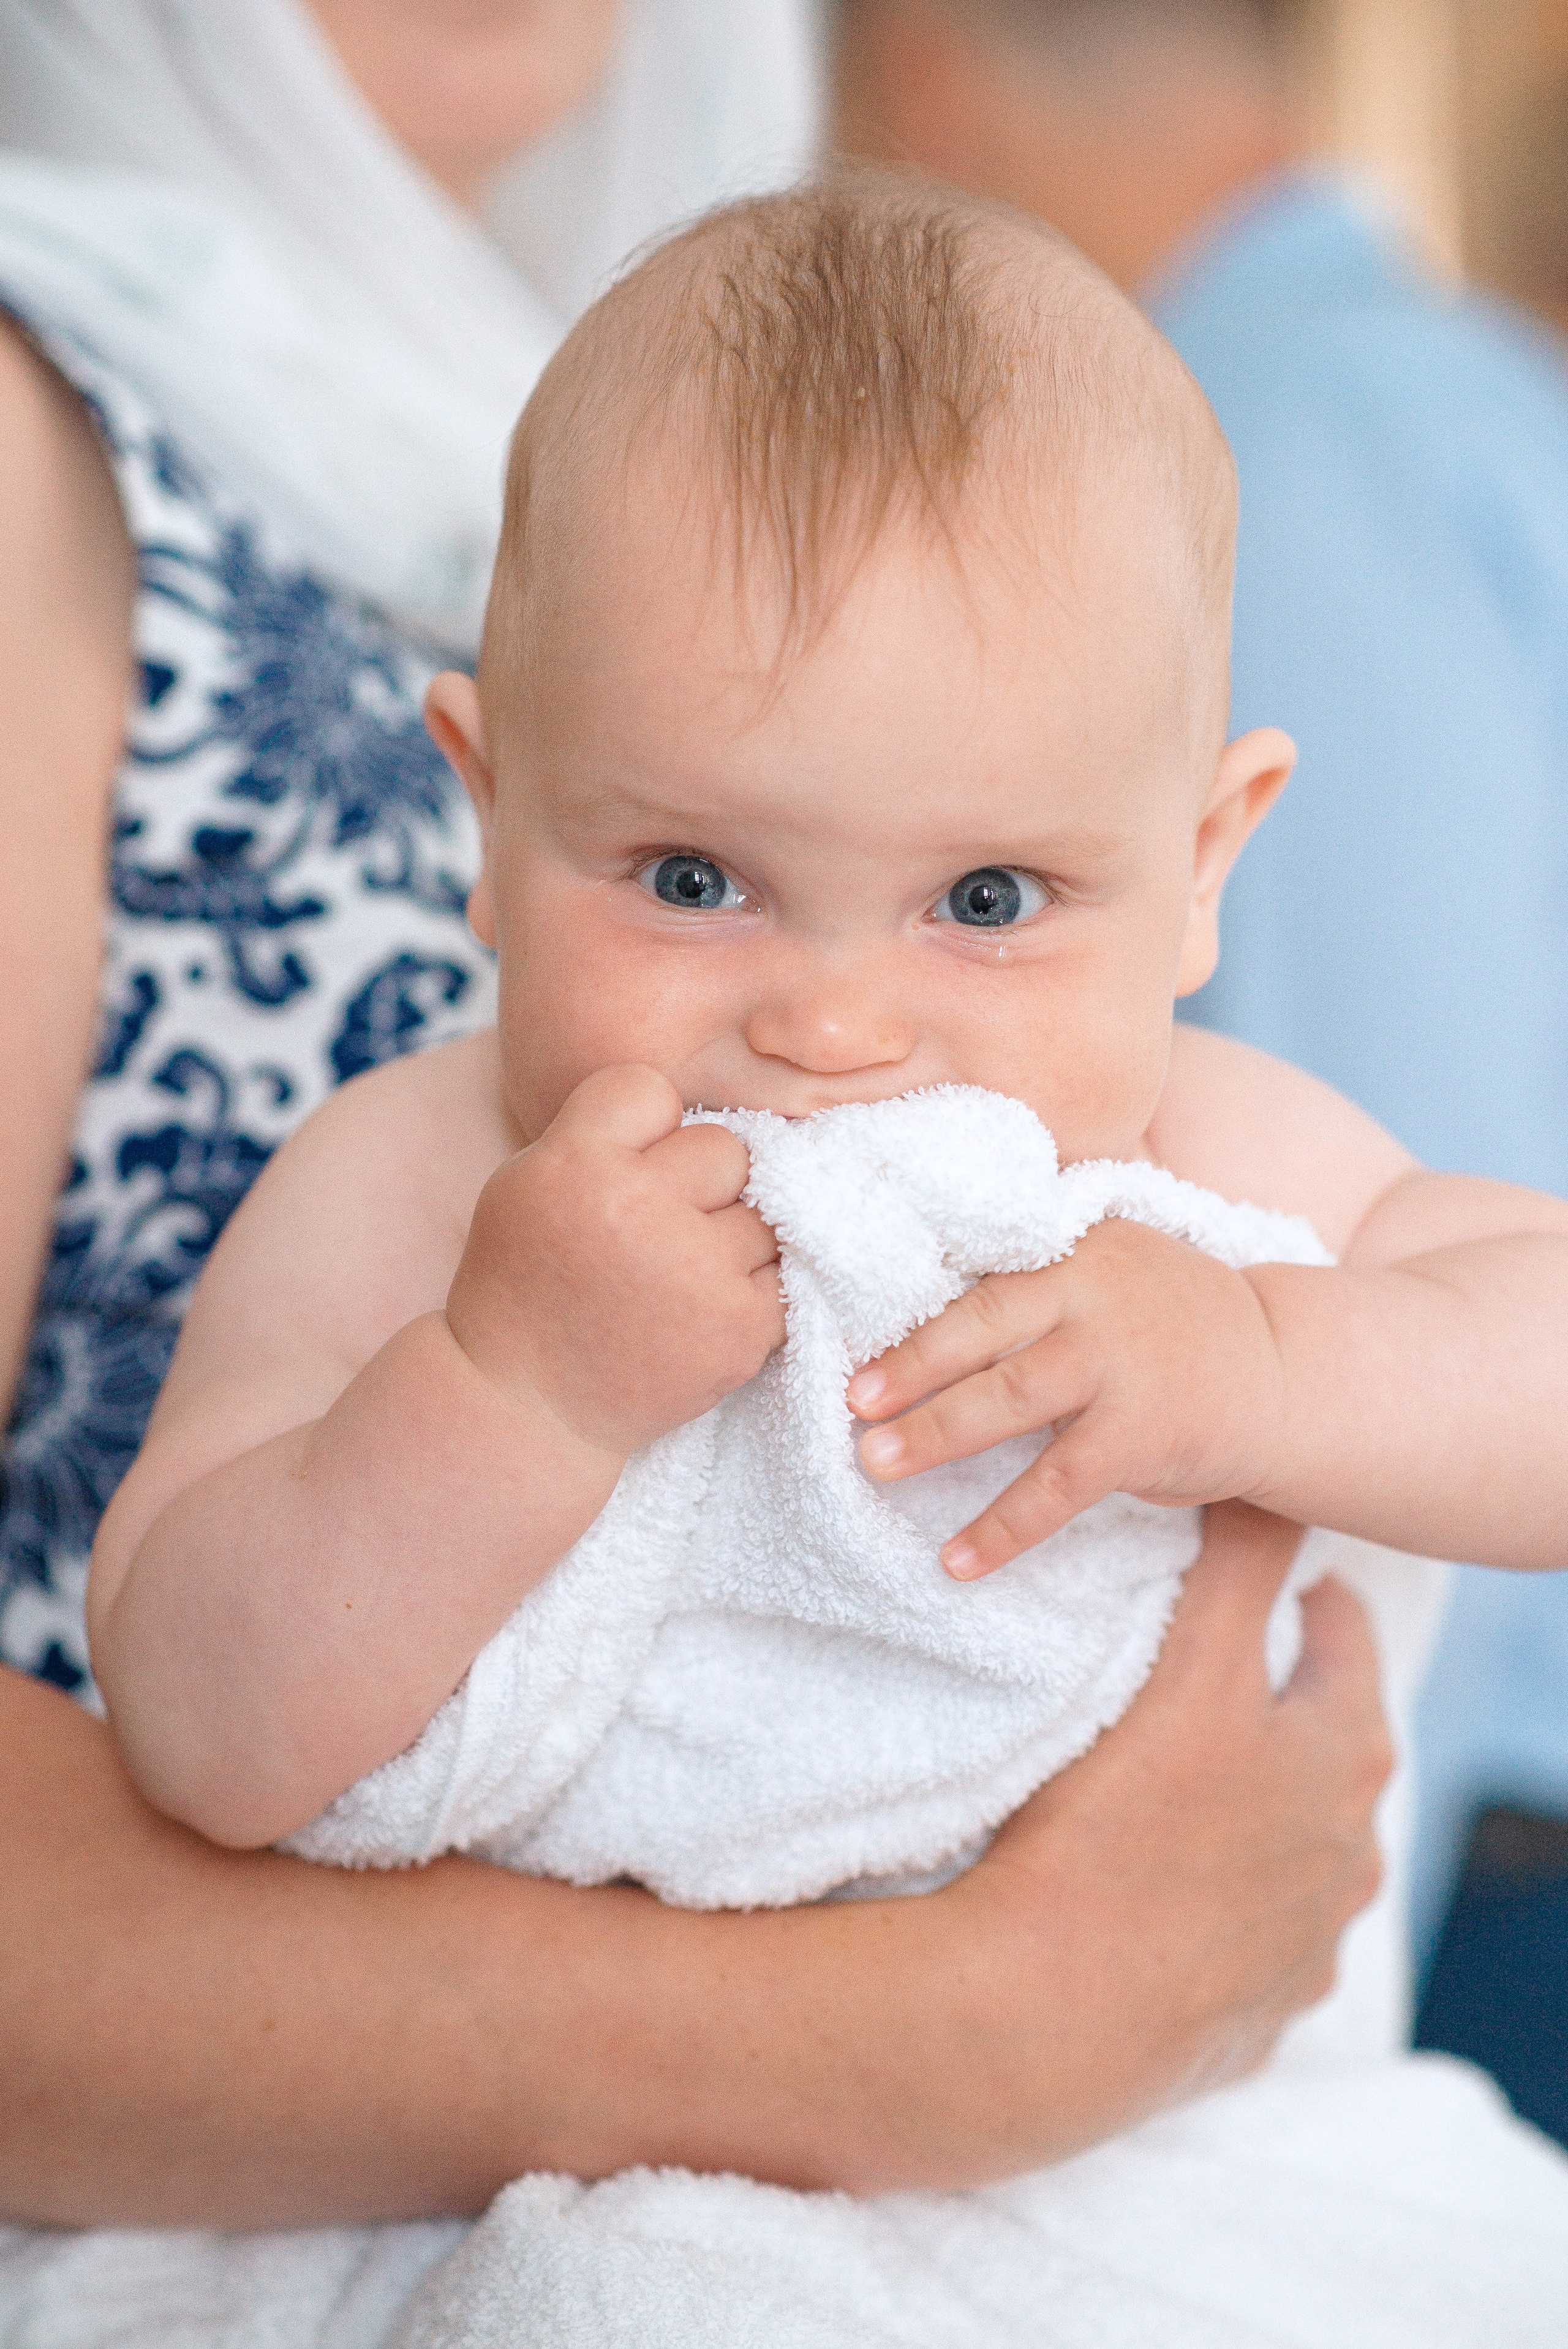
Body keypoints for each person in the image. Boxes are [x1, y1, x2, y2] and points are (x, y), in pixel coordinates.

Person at [83, 175, 1568, 2340]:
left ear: (1200, 867)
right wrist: (510, 1392)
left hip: (1151, 2169)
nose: (838, 1027)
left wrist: (1263, 1354)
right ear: (489, 824)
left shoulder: (1218, 1168)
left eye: (989, 901)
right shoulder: (417, 1190)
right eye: (693, 876)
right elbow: (199, 1729)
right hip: (518, 2168)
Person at [831, 0, 1568, 1991]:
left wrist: (1309, 1969)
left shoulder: (1247, 443)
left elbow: (1395, 1181)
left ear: (914, 74)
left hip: (1462, 1826)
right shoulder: (1483, 394)